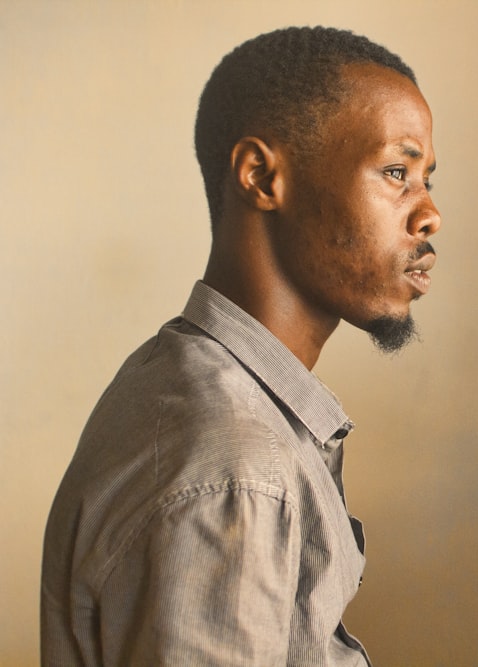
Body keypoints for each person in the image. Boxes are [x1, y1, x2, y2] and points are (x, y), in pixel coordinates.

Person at [40, 26, 441, 666]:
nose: (429, 215)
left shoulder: (177, 373)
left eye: (426, 179)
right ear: (260, 176)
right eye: (397, 172)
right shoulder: (236, 472)